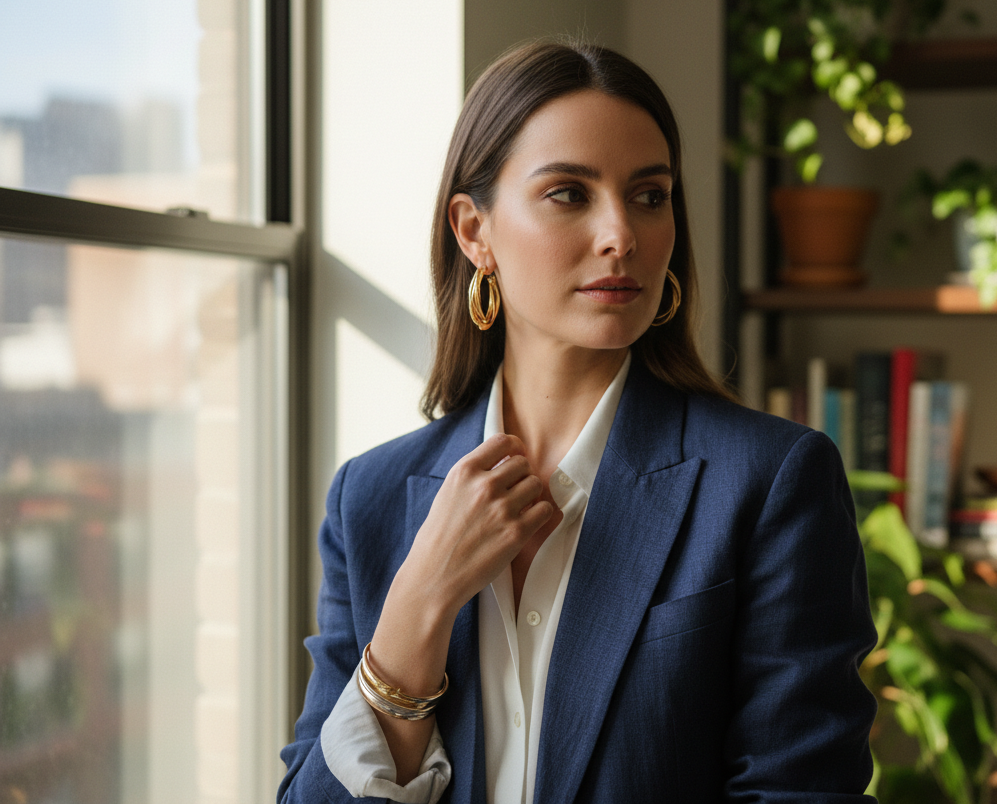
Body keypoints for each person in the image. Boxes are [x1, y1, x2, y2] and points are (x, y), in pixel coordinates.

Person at [278, 40, 878, 804]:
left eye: (650, 196)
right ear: (474, 232)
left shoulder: (769, 483)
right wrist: (417, 608)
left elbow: (803, 791)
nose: (621, 235)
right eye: (569, 193)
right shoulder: (369, 498)